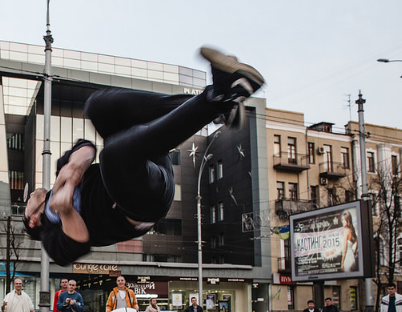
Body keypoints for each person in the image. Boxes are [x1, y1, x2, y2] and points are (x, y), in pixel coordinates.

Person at [23, 47, 264, 267]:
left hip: (149, 165)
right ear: (33, 219)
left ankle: (222, 101)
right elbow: (78, 242)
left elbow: (86, 148)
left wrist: (73, 169)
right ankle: (218, 100)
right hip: (141, 203)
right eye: (28, 202)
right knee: (113, 155)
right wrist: (65, 210)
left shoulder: (60, 172)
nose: (32, 194)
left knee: (99, 107)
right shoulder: (51, 237)